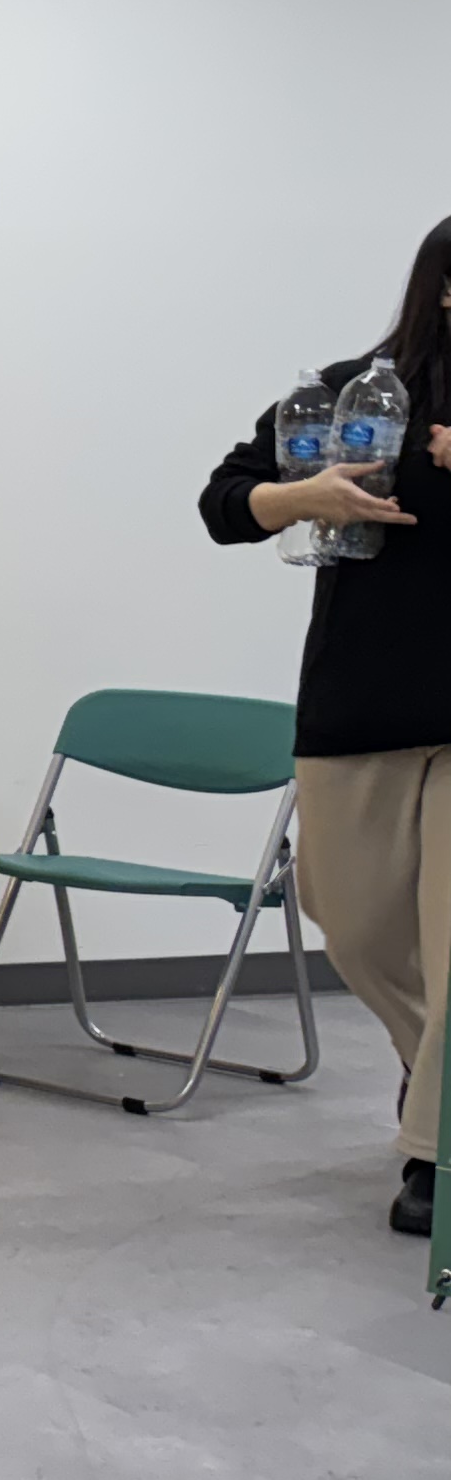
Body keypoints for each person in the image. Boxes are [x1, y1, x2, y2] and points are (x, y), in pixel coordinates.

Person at [200, 211, 451, 1239]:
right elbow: (222, 503)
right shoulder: (354, 394)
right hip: (362, 700)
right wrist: (300, 496)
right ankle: (431, 1072)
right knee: (352, 925)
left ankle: (434, 1152)